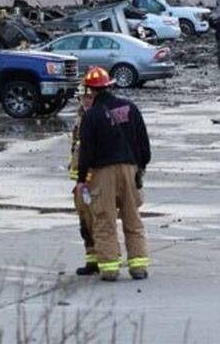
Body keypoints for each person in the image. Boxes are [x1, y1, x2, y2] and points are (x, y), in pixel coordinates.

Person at [75, 66, 151, 282]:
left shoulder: (92, 116)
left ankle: (109, 269)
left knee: (104, 219)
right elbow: (143, 143)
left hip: (102, 172)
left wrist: (82, 180)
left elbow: (86, 151)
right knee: (132, 217)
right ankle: (138, 267)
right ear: (109, 86)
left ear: (91, 90)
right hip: (130, 168)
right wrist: (140, 168)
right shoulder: (130, 108)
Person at [68, 87, 97, 275]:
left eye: (89, 96)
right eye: (83, 97)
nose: (85, 100)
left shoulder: (97, 118)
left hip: (96, 179)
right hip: (81, 181)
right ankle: (91, 259)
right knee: (85, 224)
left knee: (100, 221)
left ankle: (107, 257)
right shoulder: (80, 119)